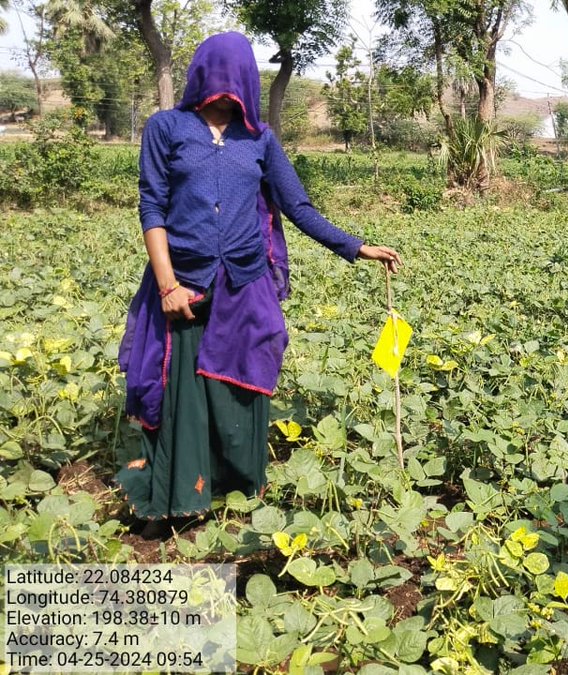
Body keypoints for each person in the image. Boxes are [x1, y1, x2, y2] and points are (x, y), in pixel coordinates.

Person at [115, 32, 400, 538]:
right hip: (184, 283)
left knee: (239, 382)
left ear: (248, 79)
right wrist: (167, 286)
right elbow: (152, 206)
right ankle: (181, 498)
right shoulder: (167, 128)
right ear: (199, 75)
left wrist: (356, 247)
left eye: (235, 75)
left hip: (245, 282)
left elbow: (298, 206)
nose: (224, 87)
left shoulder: (260, 139)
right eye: (215, 74)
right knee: (183, 390)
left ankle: (236, 490)